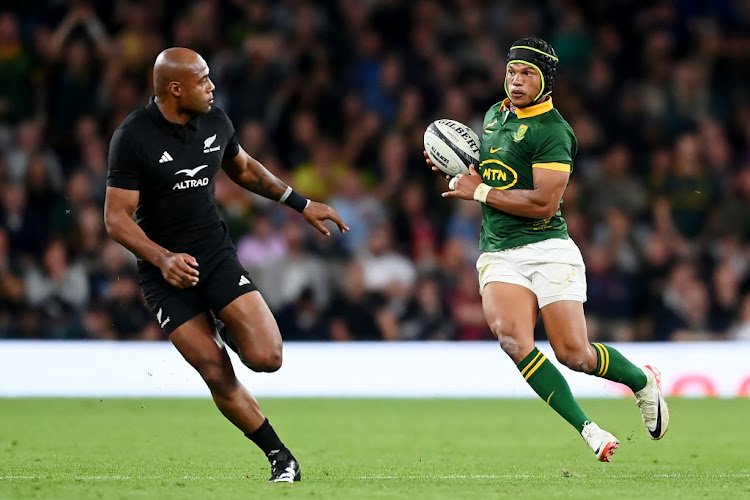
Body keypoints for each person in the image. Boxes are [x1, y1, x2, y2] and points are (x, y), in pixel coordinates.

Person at [104, 47, 349, 482]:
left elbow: (246, 170)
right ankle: (280, 456)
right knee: (215, 369)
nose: (212, 86)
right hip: (163, 271)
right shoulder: (133, 137)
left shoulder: (217, 121)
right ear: (174, 89)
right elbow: (115, 217)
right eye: (203, 80)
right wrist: (161, 258)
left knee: (267, 357)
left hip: (214, 255)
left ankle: (221, 322)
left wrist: (302, 203)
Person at [425, 38, 669, 462]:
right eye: (513, 72)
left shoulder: (554, 131)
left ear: (546, 81)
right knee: (512, 340)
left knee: (575, 354)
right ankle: (588, 429)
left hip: (548, 247)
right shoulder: (494, 115)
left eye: (528, 74)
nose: (516, 81)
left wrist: (478, 190)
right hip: (499, 251)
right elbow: (496, 174)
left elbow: (543, 202)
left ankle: (642, 381)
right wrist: (462, 168)